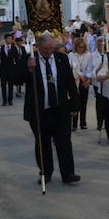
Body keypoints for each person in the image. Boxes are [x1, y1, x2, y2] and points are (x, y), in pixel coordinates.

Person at [22, 34, 81, 185]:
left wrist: (75, 105)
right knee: (43, 143)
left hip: (60, 109)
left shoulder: (62, 58)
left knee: (64, 142)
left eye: (51, 48)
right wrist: (28, 69)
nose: (49, 51)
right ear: (38, 47)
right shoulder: (30, 59)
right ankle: (45, 172)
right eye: (45, 49)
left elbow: (70, 83)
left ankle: (68, 174)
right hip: (39, 111)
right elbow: (18, 79)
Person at [92, 38, 109, 141]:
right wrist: (99, 69)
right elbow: (94, 74)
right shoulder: (101, 59)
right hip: (103, 89)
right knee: (108, 113)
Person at [68, 37, 93, 131]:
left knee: (83, 103)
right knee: (75, 102)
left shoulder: (88, 55)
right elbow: (72, 68)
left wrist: (87, 79)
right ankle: (74, 124)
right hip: (76, 80)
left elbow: (90, 68)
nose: (81, 48)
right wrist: (80, 76)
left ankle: (83, 122)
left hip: (85, 81)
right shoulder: (71, 55)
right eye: (79, 47)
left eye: (82, 47)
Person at [0, 33, 21, 106]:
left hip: (11, 69)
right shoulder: (1, 48)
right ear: (5, 39)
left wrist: (17, 68)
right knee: (3, 86)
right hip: (3, 69)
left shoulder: (14, 48)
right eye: (8, 39)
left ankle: (10, 100)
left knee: (11, 86)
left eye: (11, 39)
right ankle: (4, 100)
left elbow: (17, 59)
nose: (9, 40)